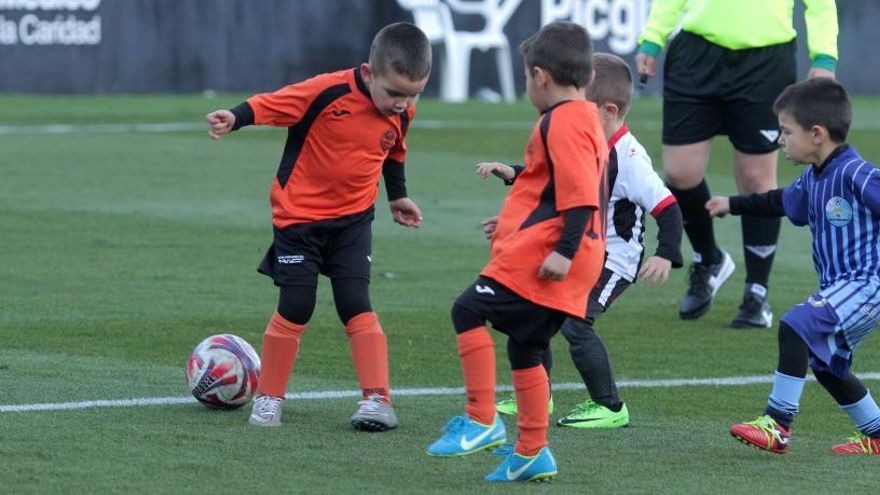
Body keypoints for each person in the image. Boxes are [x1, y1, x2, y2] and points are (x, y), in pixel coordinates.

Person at [204, 22, 431, 431]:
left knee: (354, 301)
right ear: (368, 73)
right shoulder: (327, 91)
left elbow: (394, 150)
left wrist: (397, 195)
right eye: (394, 93)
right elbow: (274, 103)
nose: (402, 103)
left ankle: (377, 399)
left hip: (353, 221)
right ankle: (269, 398)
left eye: (412, 94)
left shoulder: (403, 109)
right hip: (299, 219)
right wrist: (235, 117)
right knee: (297, 305)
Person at [425, 21, 608, 482]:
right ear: (587, 79)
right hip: (567, 251)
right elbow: (548, 185)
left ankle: (482, 419)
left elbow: (581, 193)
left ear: (540, 77)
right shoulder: (585, 118)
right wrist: (511, 215)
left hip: (550, 253)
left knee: (467, 310)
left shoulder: (560, 121)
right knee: (526, 345)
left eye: (528, 79)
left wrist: (563, 250)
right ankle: (532, 450)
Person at [480, 53, 683, 428]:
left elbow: (668, 208)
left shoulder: (631, 158)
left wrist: (667, 253)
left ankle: (610, 408)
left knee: (576, 325)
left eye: (579, 109)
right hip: (580, 249)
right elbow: (556, 181)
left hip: (614, 260)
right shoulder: (586, 140)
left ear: (607, 111)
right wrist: (514, 175)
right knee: (536, 312)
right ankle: (538, 393)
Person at [636, 0, 839, 328]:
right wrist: (653, 37)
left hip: (766, 58)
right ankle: (709, 259)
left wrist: (824, 55)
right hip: (695, 52)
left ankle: (756, 292)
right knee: (679, 171)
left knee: (756, 179)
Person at [706, 78, 880, 455]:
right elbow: (780, 202)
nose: (780, 140)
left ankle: (777, 424)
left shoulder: (856, 173)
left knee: (796, 325)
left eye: (786, 132)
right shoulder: (813, 179)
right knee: (828, 366)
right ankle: (878, 433)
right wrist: (732, 204)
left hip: (866, 285)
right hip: (840, 286)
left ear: (816, 134)